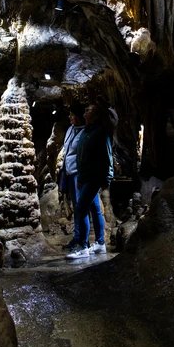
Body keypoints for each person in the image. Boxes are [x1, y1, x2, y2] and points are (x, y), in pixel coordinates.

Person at [66, 97, 117, 259]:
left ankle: (83, 246)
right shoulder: (86, 132)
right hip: (84, 177)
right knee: (94, 209)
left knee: (80, 208)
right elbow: (81, 158)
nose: (85, 112)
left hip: (94, 178)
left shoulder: (100, 133)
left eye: (89, 110)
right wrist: (80, 177)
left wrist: (106, 179)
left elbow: (107, 157)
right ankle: (100, 243)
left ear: (96, 115)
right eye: (86, 109)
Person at [58, 102, 103, 251]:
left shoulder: (87, 132)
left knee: (89, 207)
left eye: (72, 114)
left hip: (82, 174)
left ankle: (91, 242)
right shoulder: (71, 130)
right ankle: (78, 238)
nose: (69, 117)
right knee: (80, 207)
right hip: (71, 173)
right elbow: (68, 151)